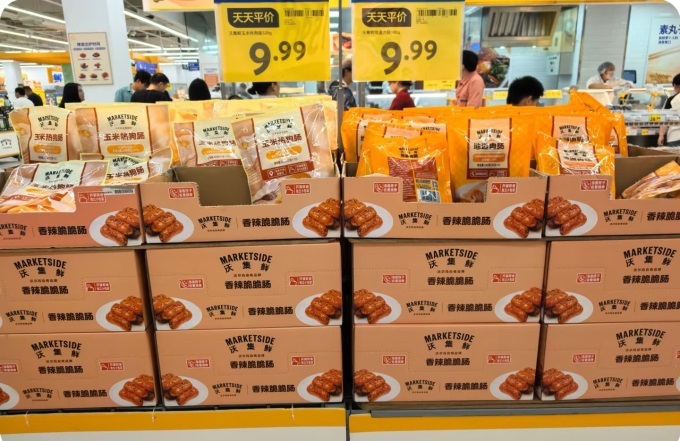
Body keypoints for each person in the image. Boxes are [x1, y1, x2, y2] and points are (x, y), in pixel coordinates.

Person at [658, 74, 680, 147]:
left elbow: (664, 118)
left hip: (674, 136)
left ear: (676, 86)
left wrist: (661, 135)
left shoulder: (671, 100)